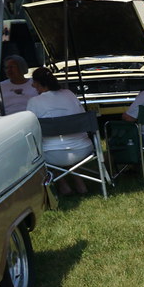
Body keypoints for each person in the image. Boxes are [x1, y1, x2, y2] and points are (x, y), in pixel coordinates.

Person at [26, 67, 92, 196]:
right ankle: (79, 182)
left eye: (34, 82)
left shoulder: (34, 102)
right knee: (62, 143)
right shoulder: (69, 94)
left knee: (43, 146)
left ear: (39, 83)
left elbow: (31, 128)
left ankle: (62, 184)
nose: (33, 85)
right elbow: (82, 115)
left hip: (52, 154)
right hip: (83, 149)